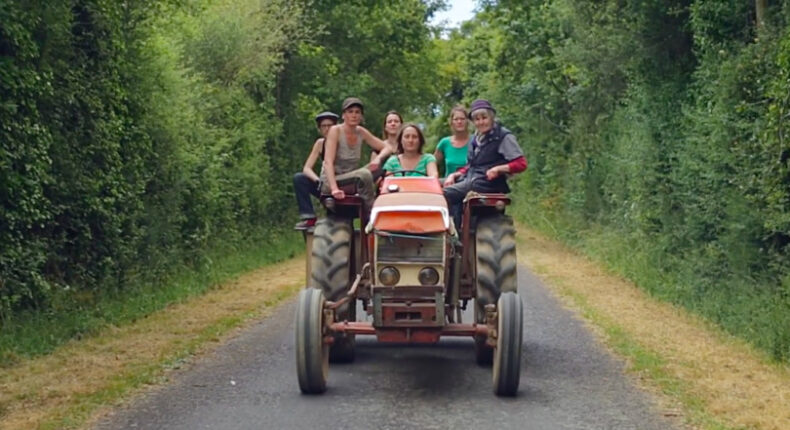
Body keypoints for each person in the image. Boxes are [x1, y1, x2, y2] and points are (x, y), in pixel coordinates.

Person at [443, 99, 527, 227]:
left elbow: (521, 163)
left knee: (444, 193)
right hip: (471, 179)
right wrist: (454, 175)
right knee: (434, 185)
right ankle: (456, 228)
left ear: (492, 117)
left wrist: (499, 169)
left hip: (486, 183)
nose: (481, 122)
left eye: (484, 117)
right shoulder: (475, 139)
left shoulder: (503, 137)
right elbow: (471, 166)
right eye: (477, 119)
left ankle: (453, 233)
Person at [322, 97, 392, 212]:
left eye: (357, 112)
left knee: (385, 162)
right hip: (333, 180)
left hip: (353, 177)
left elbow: (388, 148)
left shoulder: (360, 131)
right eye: (350, 112)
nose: (354, 115)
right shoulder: (335, 131)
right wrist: (334, 189)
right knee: (364, 174)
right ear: (344, 115)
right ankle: (372, 212)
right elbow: (328, 162)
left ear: (361, 116)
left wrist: (378, 159)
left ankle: (386, 199)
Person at [293, 111, 339, 230]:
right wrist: (318, 181)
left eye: (330, 126)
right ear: (319, 129)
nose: (327, 129)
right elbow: (307, 168)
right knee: (299, 178)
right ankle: (309, 216)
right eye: (324, 126)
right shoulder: (320, 144)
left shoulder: (342, 142)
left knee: (336, 219)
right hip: (325, 184)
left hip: (341, 184)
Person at [433, 105, 471, 177]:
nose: (459, 122)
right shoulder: (444, 143)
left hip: (470, 185)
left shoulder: (475, 142)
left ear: (467, 121)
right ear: (451, 122)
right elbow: (431, 164)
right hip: (449, 185)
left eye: (462, 119)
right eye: (456, 119)